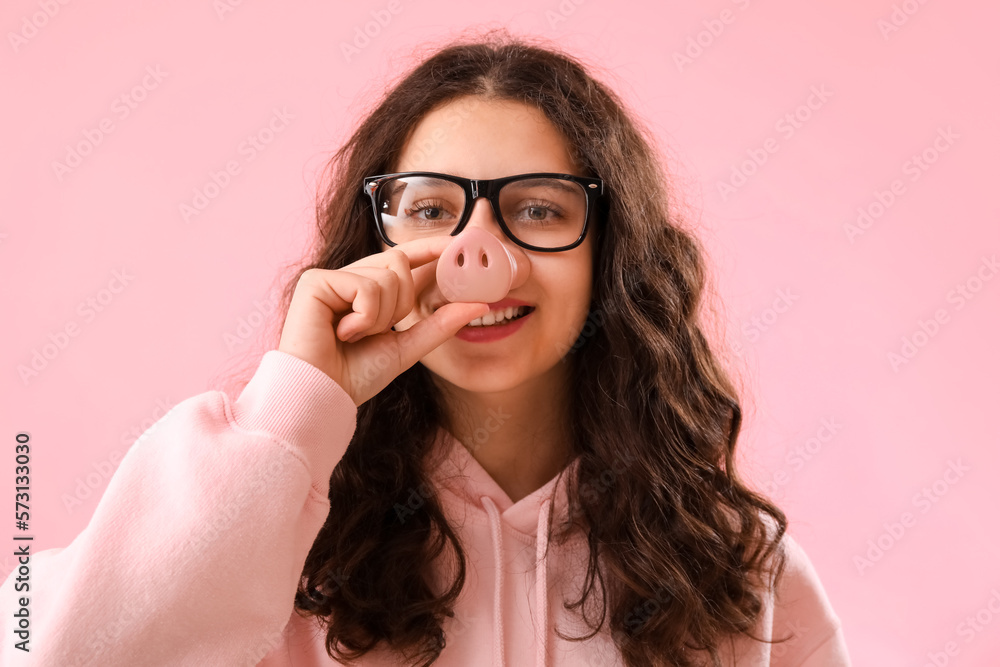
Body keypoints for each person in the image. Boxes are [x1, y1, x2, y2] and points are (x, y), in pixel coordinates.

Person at [0, 30, 851, 667]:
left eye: (540, 209)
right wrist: (293, 411)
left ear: (609, 253)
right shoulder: (283, 544)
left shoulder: (735, 570)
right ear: (374, 239)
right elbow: (49, 647)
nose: (477, 258)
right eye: (433, 209)